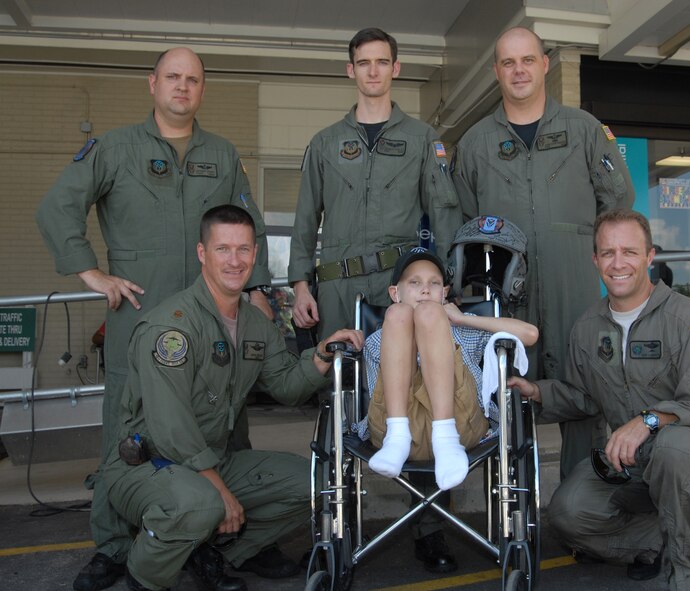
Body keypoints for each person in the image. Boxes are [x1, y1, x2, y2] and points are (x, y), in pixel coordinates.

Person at [35, 47, 274, 591]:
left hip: (216, 324)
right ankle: (115, 546)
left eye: (193, 79)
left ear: (202, 89)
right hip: (139, 320)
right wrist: (90, 273)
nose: (182, 87)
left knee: (227, 428)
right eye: (173, 77)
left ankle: (216, 544)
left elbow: (248, 225)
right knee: (126, 434)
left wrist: (257, 292)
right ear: (152, 84)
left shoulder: (223, 151)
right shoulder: (115, 148)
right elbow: (56, 207)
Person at [103, 205, 363, 591]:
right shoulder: (171, 327)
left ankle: (213, 555)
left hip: (214, 461)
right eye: (222, 249)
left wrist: (323, 353)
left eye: (243, 249)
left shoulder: (256, 323)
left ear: (255, 255)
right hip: (149, 465)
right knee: (202, 504)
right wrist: (221, 493)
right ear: (202, 253)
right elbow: (171, 430)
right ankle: (144, 576)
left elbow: (288, 387)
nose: (234, 260)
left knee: (315, 482)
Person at [510, 209, 690, 591]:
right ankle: (654, 540)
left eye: (629, 252)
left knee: (675, 450)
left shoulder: (688, 318)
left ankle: (688, 575)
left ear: (650, 256)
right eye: (608, 253)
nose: (618, 264)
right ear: (595, 260)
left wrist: (648, 420)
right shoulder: (587, 328)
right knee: (568, 512)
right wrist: (537, 392)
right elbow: (583, 397)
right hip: (631, 464)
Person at [452, 27, 635, 480]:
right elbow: (464, 222)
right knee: (505, 396)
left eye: (527, 60)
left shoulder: (585, 131)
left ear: (544, 64)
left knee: (581, 394)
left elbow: (617, 201)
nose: (519, 70)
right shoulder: (474, 144)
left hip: (573, 289)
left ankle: (582, 508)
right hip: (506, 299)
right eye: (509, 62)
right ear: (496, 71)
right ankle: (513, 510)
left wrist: (582, 251)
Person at [288, 27, 461, 343]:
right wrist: (300, 285)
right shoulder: (325, 143)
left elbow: (445, 215)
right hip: (335, 288)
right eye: (363, 62)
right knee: (334, 382)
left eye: (382, 62)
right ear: (350, 70)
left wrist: (450, 285)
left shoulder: (421, 139)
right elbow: (305, 219)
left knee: (399, 382)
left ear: (395, 68)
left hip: (396, 285)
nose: (372, 71)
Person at [355, 247, 537, 499]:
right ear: (395, 293)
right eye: (414, 282)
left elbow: (530, 334)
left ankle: (445, 436)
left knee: (429, 313)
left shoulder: (462, 327)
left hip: (459, 424)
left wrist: (463, 320)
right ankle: (397, 435)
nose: (425, 289)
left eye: (434, 283)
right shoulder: (379, 338)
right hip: (393, 426)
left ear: (445, 293)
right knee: (398, 316)